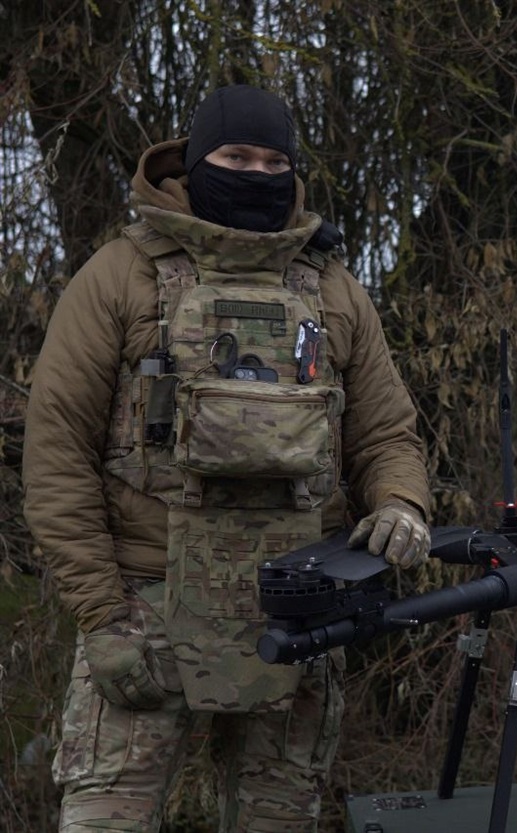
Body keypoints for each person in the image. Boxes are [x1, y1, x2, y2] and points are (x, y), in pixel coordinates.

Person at [22, 84, 432, 832]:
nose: (255, 173)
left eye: (275, 160)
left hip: (301, 605)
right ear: (194, 160)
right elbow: (58, 459)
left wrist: (401, 503)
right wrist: (103, 615)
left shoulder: (332, 287)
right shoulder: (120, 277)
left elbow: (386, 433)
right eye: (235, 156)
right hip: (146, 601)